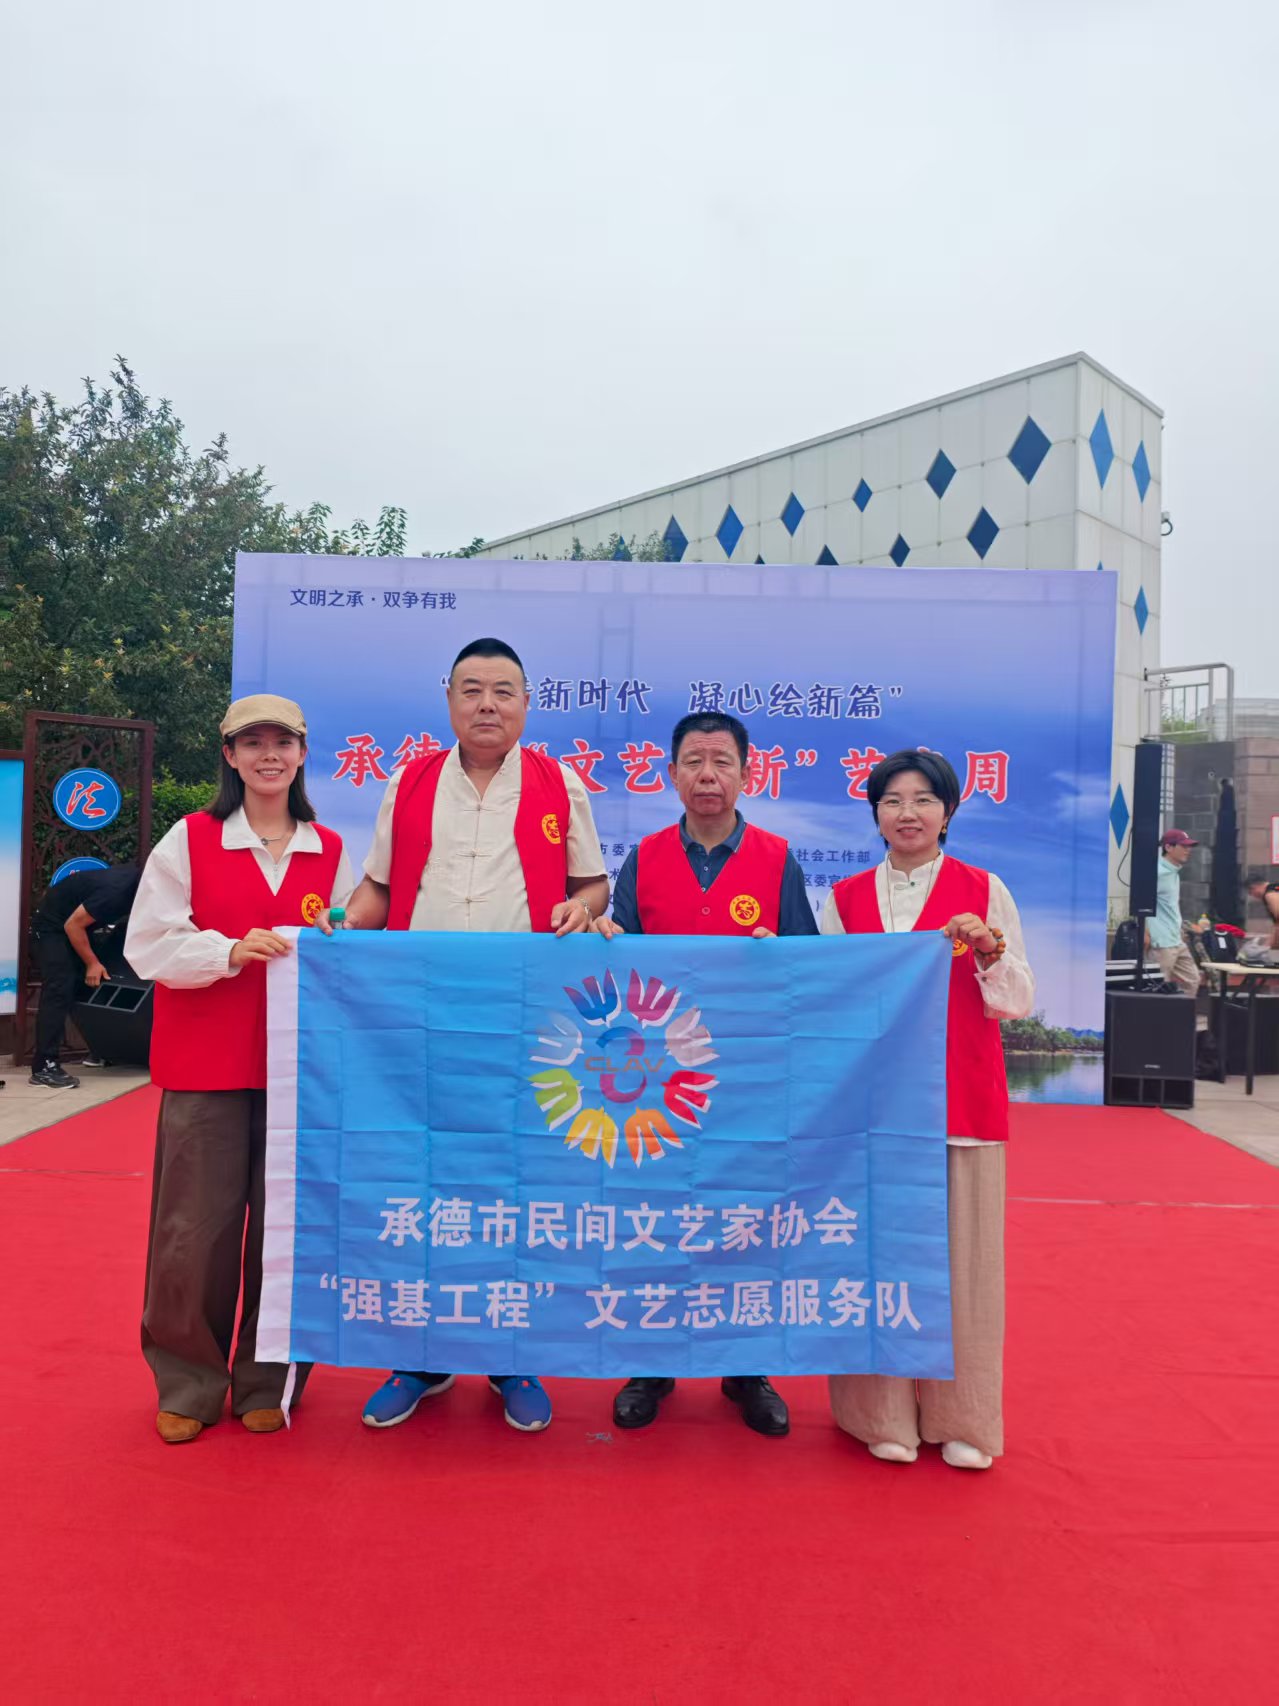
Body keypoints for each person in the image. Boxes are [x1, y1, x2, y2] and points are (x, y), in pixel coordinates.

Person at [325, 637, 609, 1435]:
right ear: (448, 698)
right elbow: (380, 886)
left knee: (514, 1184)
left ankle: (512, 1357)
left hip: (525, 1019)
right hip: (419, 1017)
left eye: (503, 690)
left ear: (527, 703)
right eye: (473, 689)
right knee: (423, 1183)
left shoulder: (560, 784)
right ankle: (420, 1357)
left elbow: (592, 882)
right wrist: (338, 925)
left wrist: (582, 907)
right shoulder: (409, 781)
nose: (488, 703)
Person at [126, 695, 354, 1445]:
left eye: (282, 742)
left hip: (301, 1075)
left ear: (302, 753)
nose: (268, 755)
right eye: (251, 743)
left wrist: (339, 937)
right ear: (228, 755)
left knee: (287, 1234)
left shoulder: (331, 850)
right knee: (192, 1232)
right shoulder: (189, 839)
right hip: (206, 1066)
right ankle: (189, 1381)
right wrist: (227, 950)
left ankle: (268, 1379)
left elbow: (351, 946)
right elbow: (148, 944)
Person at [593, 710, 816, 1437]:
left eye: (722, 761)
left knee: (745, 1218)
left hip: (749, 1077)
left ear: (747, 773)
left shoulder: (778, 859)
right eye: (693, 761)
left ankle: (747, 1368)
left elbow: (808, 968)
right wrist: (605, 938)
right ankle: (649, 1364)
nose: (708, 775)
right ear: (671, 774)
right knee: (654, 1217)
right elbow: (620, 967)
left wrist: (775, 955)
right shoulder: (645, 858)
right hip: (658, 1081)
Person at [821, 749, 1034, 1471]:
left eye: (922, 800)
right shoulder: (845, 899)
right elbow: (828, 1002)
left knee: (964, 1266)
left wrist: (987, 950)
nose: (906, 813)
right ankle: (875, 1413)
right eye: (891, 800)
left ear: (947, 813)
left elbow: (1016, 1000)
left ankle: (963, 1416)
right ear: (875, 814)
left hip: (960, 1105)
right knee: (871, 1262)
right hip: (871, 1111)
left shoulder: (984, 890)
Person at [28, 863, 140, 1087]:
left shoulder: (142, 885)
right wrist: (92, 963)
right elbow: (73, 926)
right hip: (53, 928)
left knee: (106, 980)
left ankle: (103, 1050)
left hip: (79, 928)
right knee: (59, 987)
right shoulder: (116, 892)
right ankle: (43, 1067)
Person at [1147, 829, 1204, 998]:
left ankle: (1178, 1014)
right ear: (1168, 847)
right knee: (1156, 988)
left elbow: (1169, 906)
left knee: (1193, 980)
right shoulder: (1156, 872)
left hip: (1176, 940)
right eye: (1183, 846)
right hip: (1160, 941)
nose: (1188, 850)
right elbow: (1141, 903)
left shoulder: (1173, 872)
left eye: (1189, 846)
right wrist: (1146, 933)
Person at [1244, 868, 1279, 951]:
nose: (1252, 895)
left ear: (1253, 887)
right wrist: (1267, 946)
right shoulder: (1275, 889)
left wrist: (1266, 947)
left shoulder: (1270, 894)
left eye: (1250, 892)